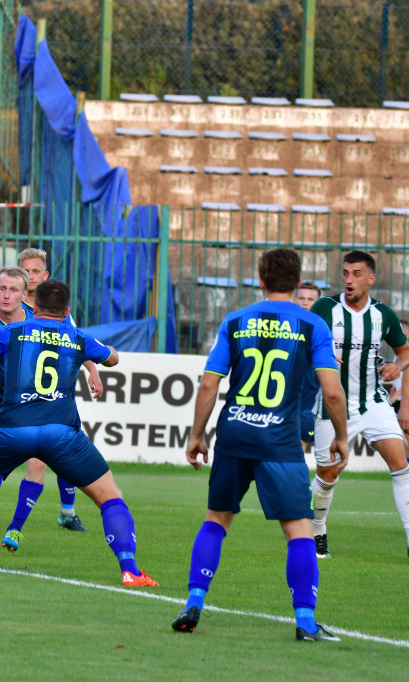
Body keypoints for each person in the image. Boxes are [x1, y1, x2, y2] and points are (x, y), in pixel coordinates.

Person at [0, 279, 159, 587]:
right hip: (63, 434)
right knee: (110, 496)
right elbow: (113, 359)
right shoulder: (79, 337)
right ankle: (130, 570)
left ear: (34, 306)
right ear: (67, 310)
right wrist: (104, 349)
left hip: (13, 429)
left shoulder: (11, 331)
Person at [171, 248, 348, 641]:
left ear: (261, 280)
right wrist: (341, 435)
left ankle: (194, 600)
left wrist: (197, 435)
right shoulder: (312, 325)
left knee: (216, 519)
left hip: (234, 433)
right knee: (298, 529)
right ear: (299, 282)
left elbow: (208, 383)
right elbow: (332, 393)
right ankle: (304, 621)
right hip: (280, 440)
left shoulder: (235, 321)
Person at [0, 266, 102, 551]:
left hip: (33, 408)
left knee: (34, 464)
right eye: (2, 289)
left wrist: (92, 371)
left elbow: (77, 342)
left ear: (26, 296)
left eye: (13, 290)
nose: (6, 295)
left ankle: (13, 528)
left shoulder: (32, 321)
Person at [309, 251, 409, 559]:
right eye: (345, 273)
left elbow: (404, 352)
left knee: (401, 464)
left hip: (373, 402)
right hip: (332, 405)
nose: (348, 280)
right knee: (328, 474)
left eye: (356, 274)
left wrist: (398, 367)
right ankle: (318, 527)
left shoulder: (383, 315)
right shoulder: (326, 308)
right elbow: (308, 344)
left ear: (370, 278)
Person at [295, 281, 323, 448]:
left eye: (310, 299)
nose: (305, 303)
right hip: (280, 400)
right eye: (301, 298)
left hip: (308, 403)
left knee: (298, 448)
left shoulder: (323, 330)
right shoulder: (284, 326)